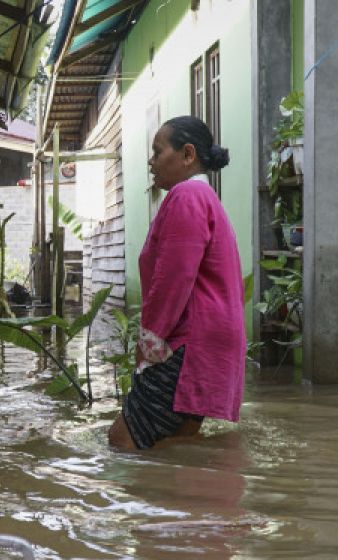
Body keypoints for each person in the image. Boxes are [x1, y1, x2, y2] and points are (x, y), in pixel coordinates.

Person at [108, 116, 246, 450]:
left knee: (122, 440)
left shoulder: (186, 196)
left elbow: (174, 278)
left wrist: (149, 341)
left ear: (187, 154)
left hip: (188, 343)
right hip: (212, 342)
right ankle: (193, 501)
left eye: (158, 151)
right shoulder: (205, 197)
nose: (151, 161)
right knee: (177, 444)